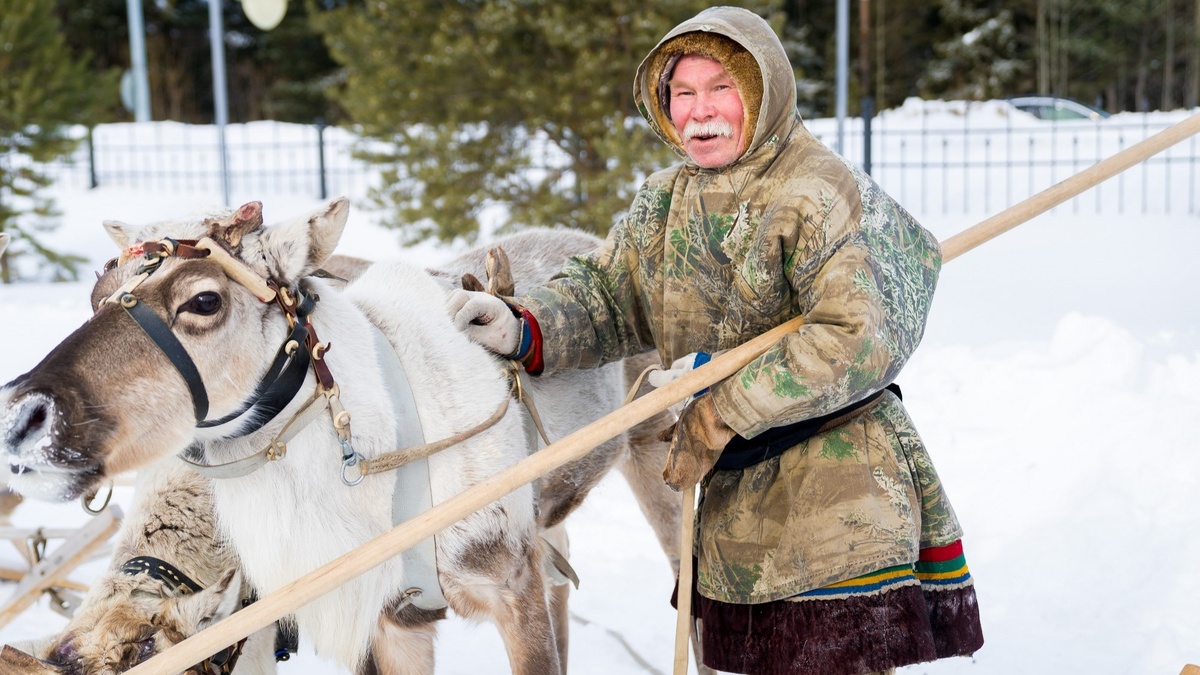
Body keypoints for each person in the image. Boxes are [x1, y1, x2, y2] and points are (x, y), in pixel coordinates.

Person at [446, 6, 983, 674]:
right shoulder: (664, 203)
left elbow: (854, 334)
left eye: (719, 88)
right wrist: (527, 324)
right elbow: (610, 297)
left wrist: (725, 400)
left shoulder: (814, 189)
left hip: (834, 494)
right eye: (683, 93)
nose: (699, 111)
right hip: (733, 508)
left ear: (761, 91)